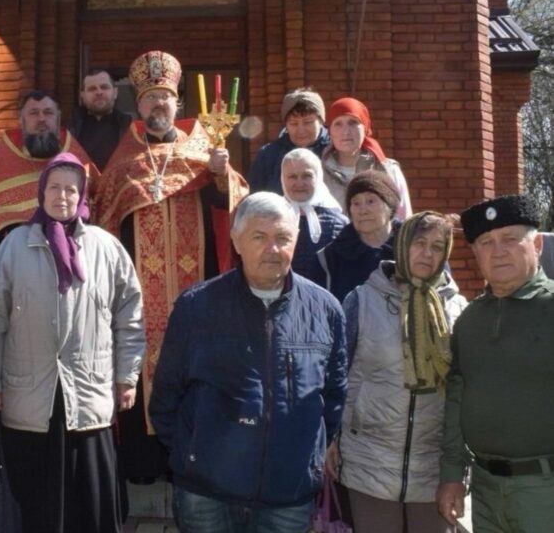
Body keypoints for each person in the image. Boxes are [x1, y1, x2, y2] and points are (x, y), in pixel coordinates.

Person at [149, 192, 347, 533]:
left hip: (288, 493)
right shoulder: (197, 307)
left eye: (283, 238)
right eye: (259, 237)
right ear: (237, 241)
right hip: (206, 491)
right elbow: (166, 393)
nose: (273, 249)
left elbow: (334, 395)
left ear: (296, 242)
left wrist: (307, 455)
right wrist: (191, 453)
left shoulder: (325, 310)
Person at [95, 50, 249, 481]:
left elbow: (231, 208)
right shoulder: (122, 162)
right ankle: (143, 462)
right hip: (139, 291)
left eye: (165, 97)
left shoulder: (204, 150)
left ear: (177, 102)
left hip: (193, 286)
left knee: (191, 364)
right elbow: (104, 220)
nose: (157, 105)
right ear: (138, 106)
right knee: (139, 366)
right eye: (149, 99)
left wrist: (221, 177)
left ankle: (193, 459)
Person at [0, 152, 145, 533]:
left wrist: (127, 376)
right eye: (55, 188)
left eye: (71, 189)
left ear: (82, 195)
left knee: (92, 508)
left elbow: (129, 317)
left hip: (87, 397)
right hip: (29, 400)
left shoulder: (105, 247)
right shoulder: (15, 245)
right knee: (36, 509)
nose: (62, 197)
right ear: (41, 192)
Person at [325, 212, 465, 533]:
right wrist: (331, 436)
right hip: (369, 460)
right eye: (419, 243)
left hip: (433, 467)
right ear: (402, 245)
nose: (427, 254)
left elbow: (463, 390)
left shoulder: (457, 309)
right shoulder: (362, 300)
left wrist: (459, 466)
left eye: (437, 246)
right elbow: (336, 375)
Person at [437, 194, 554, 532]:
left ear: (537, 246)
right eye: (486, 242)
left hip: (545, 492)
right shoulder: (470, 320)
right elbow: (456, 401)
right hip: (485, 491)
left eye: (509, 239)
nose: (498, 251)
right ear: (475, 255)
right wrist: (451, 476)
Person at [0, 90, 97, 235]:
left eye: (48, 112)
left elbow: (97, 200)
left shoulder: (76, 157)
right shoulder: (6, 161)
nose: (41, 119)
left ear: (58, 119)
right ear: (21, 120)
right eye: (34, 113)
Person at [318, 170, 401, 303]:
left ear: (389, 206)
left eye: (370, 201)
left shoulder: (415, 248)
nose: (363, 210)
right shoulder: (329, 259)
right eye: (356, 203)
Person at [322, 97, 411, 220]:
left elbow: (403, 218)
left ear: (365, 128)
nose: (346, 131)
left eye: (353, 123)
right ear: (329, 131)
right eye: (338, 124)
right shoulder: (318, 172)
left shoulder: (387, 169)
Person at [280, 148, 347, 286]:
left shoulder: (339, 223)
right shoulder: (271, 218)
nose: (299, 183)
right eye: (292, 176)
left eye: (307, 176)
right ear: (282, 178)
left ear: (318, 177)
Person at [246, 87, 330, 194]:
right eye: (294, 123)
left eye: (308, 122)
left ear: (321, 121)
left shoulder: (333, 150)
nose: (301, 130)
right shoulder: (269, 155)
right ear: (286, 125)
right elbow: (253, 196)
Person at [68, 69, 132, 170]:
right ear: (83, 96)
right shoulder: (71, 129)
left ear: (115, 93)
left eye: (104, 87)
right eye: (92, 89)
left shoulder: (130, 128)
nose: (99, 92)